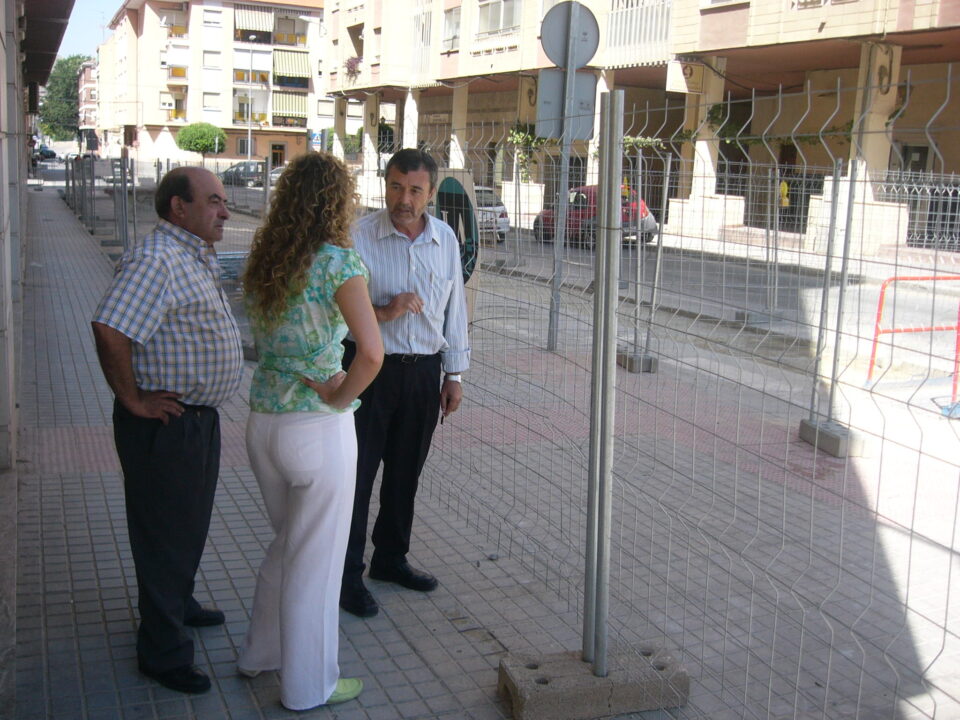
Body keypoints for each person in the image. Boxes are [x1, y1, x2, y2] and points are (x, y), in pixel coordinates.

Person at [236, 152, 383, 710]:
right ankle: (308, 687)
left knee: (288, 546)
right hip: (317, 431)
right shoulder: (338, 263)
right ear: (338, 202)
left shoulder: (267, 258)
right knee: (314, 565)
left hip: (263, 423)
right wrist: (341, 398)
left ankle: (259, 653)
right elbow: (371, 354)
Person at [90, 167, 244, 694]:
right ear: (179, 207)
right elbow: (109, 326)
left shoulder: (190, 254)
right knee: (164, 537)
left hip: (196, 421)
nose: (225, 211)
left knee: (187, 527)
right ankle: (162, 651)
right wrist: (132, 398)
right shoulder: (157, 259)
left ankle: (177, 604)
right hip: (166, 426)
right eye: (214, 201)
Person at [339, 148, 470, 618]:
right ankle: (346, 575)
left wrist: (453, 374)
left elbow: (455, 309)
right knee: (356, 477)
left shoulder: (445, 239)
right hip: (368, 371)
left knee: (404, 474)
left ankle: (390, 560)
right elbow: (336, 311)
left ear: (430, 193)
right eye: (396, 187)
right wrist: (384, 311)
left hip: (423, 373)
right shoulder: (358, 236)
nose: (404, 199)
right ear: (385, 185)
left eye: (415, 190)